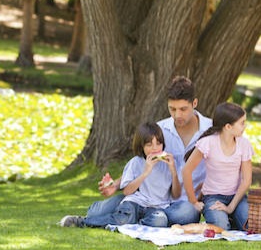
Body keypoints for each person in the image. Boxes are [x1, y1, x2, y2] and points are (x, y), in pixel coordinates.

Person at [60, 76, 212, 227]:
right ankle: (128, 215)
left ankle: (134, 217)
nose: (177, 115)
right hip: (145, 196)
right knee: (96, 213)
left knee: (186, 214)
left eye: (183, 109)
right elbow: (139, 163)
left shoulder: (211, 131)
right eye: (172, 109)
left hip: (181, 203)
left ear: (195, 103)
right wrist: (116, 184)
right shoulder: (159, 131)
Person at [63, 122, 181, 228]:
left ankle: (129, 224)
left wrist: (173, 171)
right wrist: (145, 172)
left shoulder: (168, 164)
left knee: (160, 221)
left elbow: (176, 195)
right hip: (135, 203)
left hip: (157, 208)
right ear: (141, 147)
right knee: (124, 217)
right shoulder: (135, 162)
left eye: (158, 143)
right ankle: (82, 222)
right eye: (149, 145)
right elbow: (126, 192)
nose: (155, 148)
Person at [182, 102, 253, 231]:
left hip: (237, 196)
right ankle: (224, 219)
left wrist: (231, 207)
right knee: (221, 227)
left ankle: (230, 216)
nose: (245, 126)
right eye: (242, 123)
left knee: (249, 226)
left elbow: (246, 180)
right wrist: (194, 201)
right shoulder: (207, 143)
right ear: (228, 127)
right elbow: (186, 170)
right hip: (213, 196)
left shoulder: (244, 144)